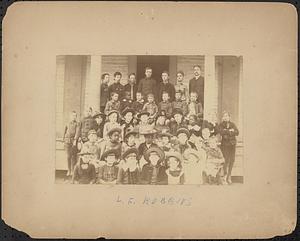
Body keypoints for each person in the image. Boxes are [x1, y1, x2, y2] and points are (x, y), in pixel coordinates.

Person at [218, 111, 239, 184]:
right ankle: (225, 175)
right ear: (222, 118)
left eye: (227, 116)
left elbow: (237, 132)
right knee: (225, 160)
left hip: (232, 145)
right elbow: (220, 132)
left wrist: (227, 131)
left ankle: (229, 175)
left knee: (232, 160)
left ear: (229, 117)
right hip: (225, 145)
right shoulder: (221, 125)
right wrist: (230, 131)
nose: (226, 117)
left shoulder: (232, 124)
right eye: (224, 116)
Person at [63, 111, 80, 176]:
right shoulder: (67, 123)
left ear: (76, 117)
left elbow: (77, 132)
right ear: (70, 116)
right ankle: (69, 170)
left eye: (75, 116)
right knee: (68, 156)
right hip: (67, 141)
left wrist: (75, 140)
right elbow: (64, 131)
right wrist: (63, 140)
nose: (74, 117)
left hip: (74, 141)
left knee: (74, 156)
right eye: (72, 116)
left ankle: (73, 170)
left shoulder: (77, 124)